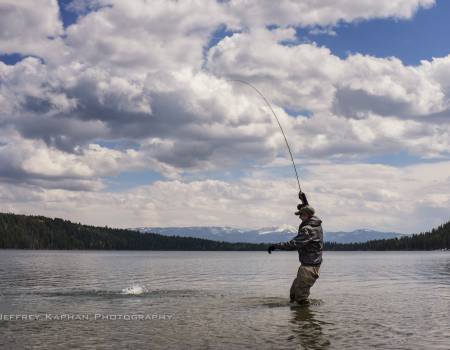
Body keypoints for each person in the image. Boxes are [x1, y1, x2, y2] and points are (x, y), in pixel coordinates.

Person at [268, 203, 323, 305]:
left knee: (301, 298)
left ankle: (306, 319)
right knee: (293, 294)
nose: (299, 217)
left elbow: (293, 244)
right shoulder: (317, 224)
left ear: (307, 215)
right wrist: (304, 200)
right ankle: (297, 317)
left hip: (308, 268)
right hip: (309, 266)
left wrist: (276, 246)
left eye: (301, 214)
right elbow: (312, 211)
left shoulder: (307, 229)